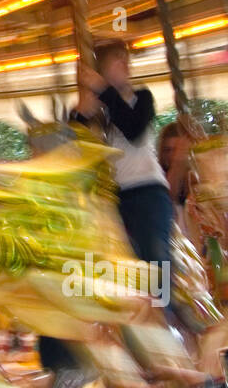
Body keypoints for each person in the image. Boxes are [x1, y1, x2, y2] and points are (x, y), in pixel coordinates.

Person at [70, 40, 172, 288]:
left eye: (126, 58)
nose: (126, 63)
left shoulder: (141, 98)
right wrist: (79, 116)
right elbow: (71, 152)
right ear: (101, 68)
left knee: (154, 261)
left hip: (146, 190)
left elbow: (133, 130)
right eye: (117, 58)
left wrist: (104, 90)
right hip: (110, 199)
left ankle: (164, 315)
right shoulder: (93, 109)